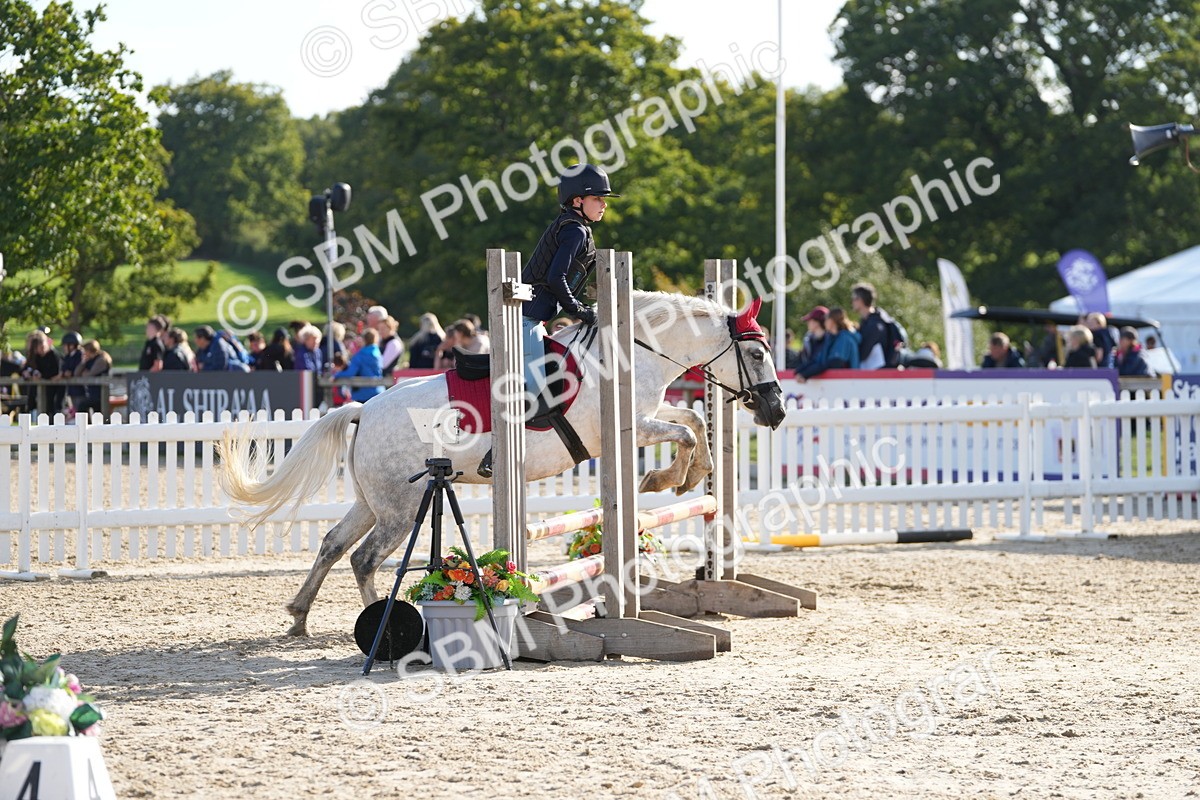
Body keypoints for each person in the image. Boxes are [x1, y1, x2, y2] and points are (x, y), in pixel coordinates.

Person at [478, 164, 619, 479]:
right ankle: (495, 453)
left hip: (531, 317)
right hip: (524, 320)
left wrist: (582, 306)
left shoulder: (574, 227)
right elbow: (556, 278)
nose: (604, 204)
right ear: (577, 200)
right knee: (536, 387)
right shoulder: (573, 230)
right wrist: (579, 310)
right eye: (598, 198)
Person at [850, 282, 905, 369]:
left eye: (853, 298)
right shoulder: (873, 320)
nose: (852, 302)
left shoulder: (875, 325)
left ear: (860, 300)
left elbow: (862, 354)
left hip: (879, 375)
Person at [797, 308, 861, 382]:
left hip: (849, 382)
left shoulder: (845, 338)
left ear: (832, 321)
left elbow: (835, 362)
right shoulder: (830, 338)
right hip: (839, 383)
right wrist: (800, 371)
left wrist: (806, 374)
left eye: (826, 319)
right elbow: (819, 360)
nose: (824, 322)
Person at [336, 328, 384, 404]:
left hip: (362, 394)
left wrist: (336, 375)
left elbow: (350, 373)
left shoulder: (359, 356)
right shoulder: (378, 355)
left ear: (364, 340)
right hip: (379, 392)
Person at [22, 329, 62, 415]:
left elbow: (55, 372)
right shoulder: (36, 356)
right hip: (38, 389)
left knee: (52, 410)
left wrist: (42, 375)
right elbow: (28, 368)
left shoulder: (53, 355)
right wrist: (30, 373)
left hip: (53, 389)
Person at [74, 340, 111, 416]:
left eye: (85, 351)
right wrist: (83, 362)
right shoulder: (88, 359)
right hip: (92, 393)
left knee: (84, 406)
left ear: (89, 350)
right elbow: (76, 373)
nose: (84, 353)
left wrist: (85, 373)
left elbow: (90, 374)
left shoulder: (102, 359)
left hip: (101, 394)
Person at [58, 331, 85, 412]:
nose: (64, 347)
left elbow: (78, 369)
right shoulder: (67, 356)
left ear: (72, 345)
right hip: (72, 388)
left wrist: (71, 373)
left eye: (65, 345)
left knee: (82, 410)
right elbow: (64, 368)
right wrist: (64, 372)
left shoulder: (80, 355)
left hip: (81, 389)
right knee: (75, 410)